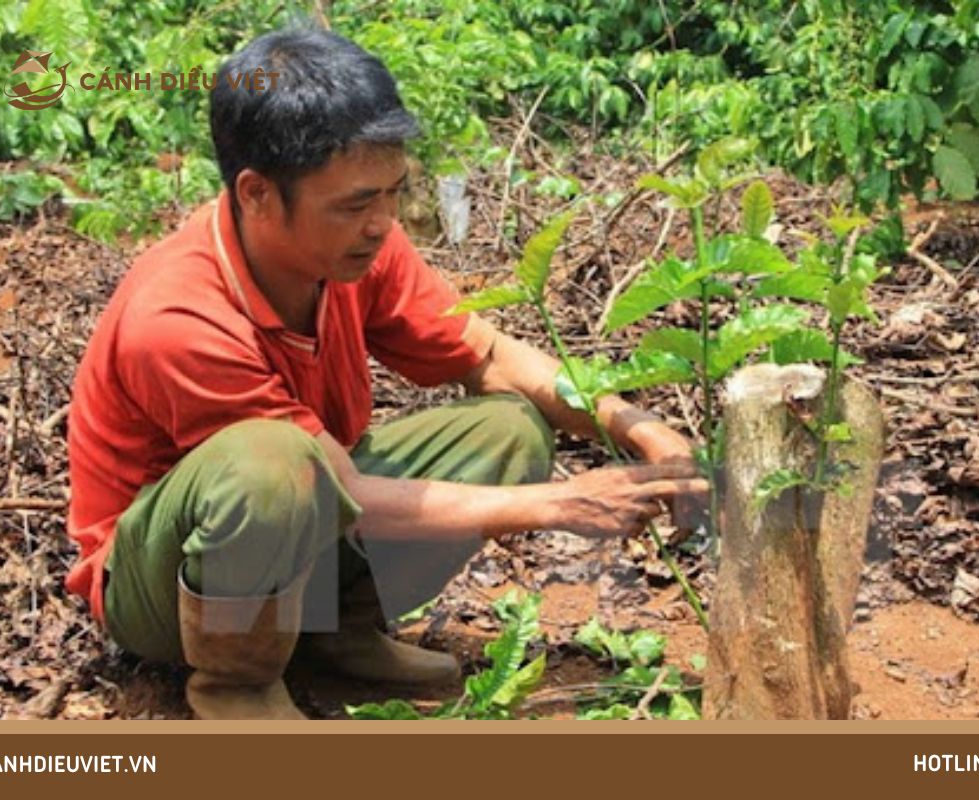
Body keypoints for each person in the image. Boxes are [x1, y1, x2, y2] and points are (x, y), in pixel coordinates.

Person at [64, 27, 707, 720]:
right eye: (354, 204)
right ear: (255, 194)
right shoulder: (178, 315)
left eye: (392, 194)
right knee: (273, 461)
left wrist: (640, 428)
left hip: (302, 516)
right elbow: (336, 488)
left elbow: (490, 358)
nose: (382, 223)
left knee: (508, 427)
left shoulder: (356, 247)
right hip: (162, 587)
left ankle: (336, 633)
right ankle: (237, 685)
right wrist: (560, 504)